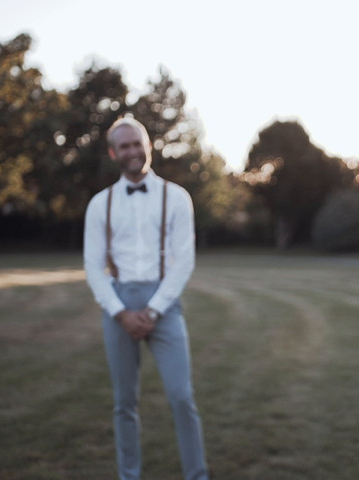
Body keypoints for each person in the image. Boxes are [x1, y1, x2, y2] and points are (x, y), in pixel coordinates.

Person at [84, 116, 208, 480]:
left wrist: (153, 310)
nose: (133, 151)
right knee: (124, 403)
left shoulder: (177, 197)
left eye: (138, 143)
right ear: (113, 153)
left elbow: (184, 261)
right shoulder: (99, 204)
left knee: (182, 397)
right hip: (118, 300)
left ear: (148, 146)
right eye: (125, 146)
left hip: (164, 301)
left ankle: (196, 475)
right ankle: (129, 475)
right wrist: (121, 312)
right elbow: (93, 267)